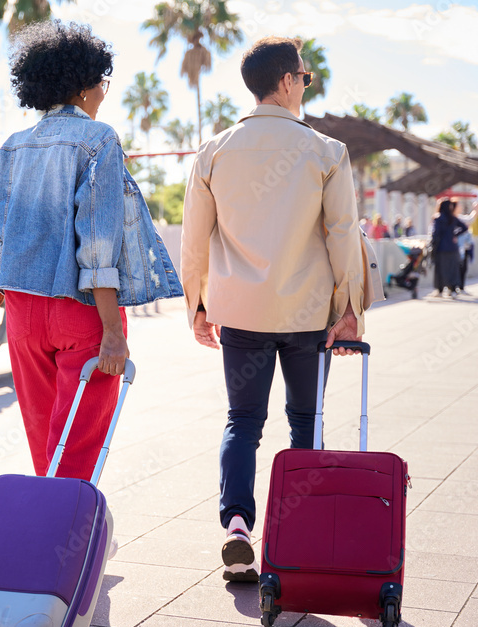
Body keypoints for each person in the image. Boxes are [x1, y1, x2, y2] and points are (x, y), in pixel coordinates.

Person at [181, 36, 368, 583]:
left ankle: (238, 524)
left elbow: (195, 240)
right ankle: (302, 532)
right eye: (304, 78)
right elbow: (340, 236)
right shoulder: (327, 151)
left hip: (240, 313)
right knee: (305, 420)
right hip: (310, 316)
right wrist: (350, 306)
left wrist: (197, 305)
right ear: (287, 81)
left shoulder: (214, 150)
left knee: (243, 422)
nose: (305, 85)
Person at [0, 21, 182, 483]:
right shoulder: (98, 140)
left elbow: (1, 234)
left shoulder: (11, 148)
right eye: (102, 81)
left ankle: (52, 528)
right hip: (78, 308)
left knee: (44, 441)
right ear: (83, 85)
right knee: (77, 446)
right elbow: (98, 245)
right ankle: (67, 538)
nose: (104, 92)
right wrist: (114, 331)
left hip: (21, 306)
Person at [429, 199, 468, 298]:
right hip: (453, 248)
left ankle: (440, 290)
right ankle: (453, 289)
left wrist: (432, 244)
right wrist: (455, 235)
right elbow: (464, 227)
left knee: (440, 269)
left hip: (441, 248)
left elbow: (435, 234)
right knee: (453, 269)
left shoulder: (438, 218)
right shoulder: (453, 218)